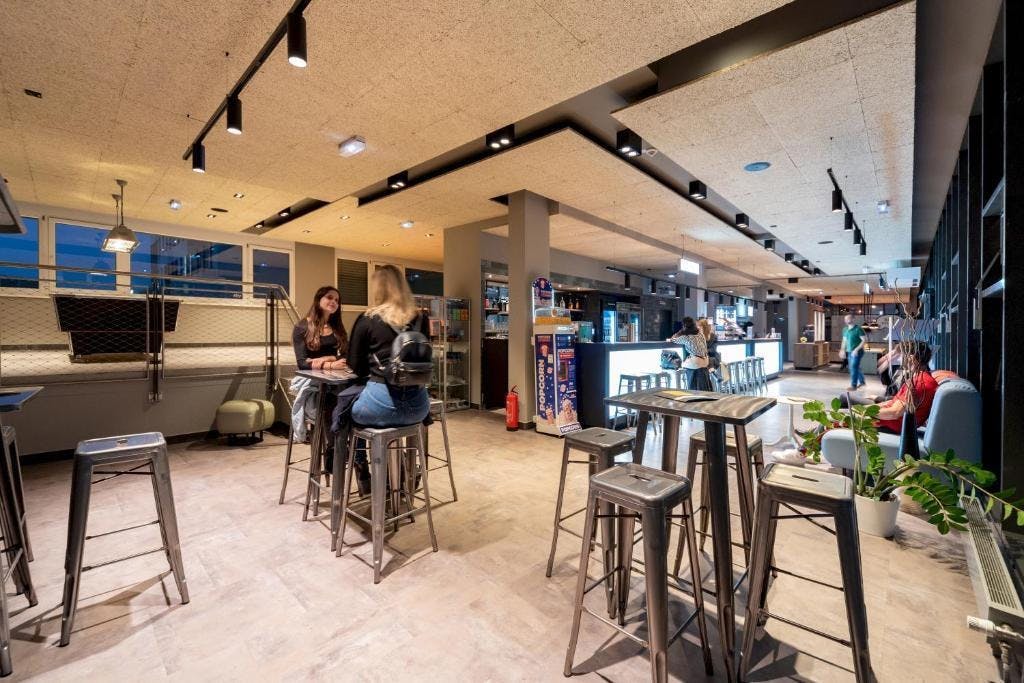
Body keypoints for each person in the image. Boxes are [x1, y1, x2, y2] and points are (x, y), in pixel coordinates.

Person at [347, 265, 431, 427]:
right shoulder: (421, 319)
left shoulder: (367, 319)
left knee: (342, 409)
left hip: (378, 405)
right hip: (418, 408)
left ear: (377, 289)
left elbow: (355, 366)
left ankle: (354, 448)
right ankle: (402, 445)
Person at [292, 285, 349, 371]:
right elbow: (302, 363)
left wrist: (326, 358)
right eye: (329, 297)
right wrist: (330, 365)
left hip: (334, 375)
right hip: (310, 376)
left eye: (336, 300)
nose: (333, 301)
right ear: (318, 300)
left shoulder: (337, 327)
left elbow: (347, 355)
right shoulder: (301, 327)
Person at [667, 317, 713, 391]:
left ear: (684, 326)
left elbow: (672, 339)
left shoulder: (686, 337)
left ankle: (688, 389)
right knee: (686, 363)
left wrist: (681, 331)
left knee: (679, 365)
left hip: (696, 362)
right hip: (705, 361)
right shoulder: (700, 334)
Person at [839, 314, 866, 390]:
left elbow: (864, 340)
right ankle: (862, 382)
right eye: (845, 319)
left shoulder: (858, 329)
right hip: (849, 351)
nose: (846, 320)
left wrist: (856, 350)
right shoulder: (845, 329)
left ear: (853, 319)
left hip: (858, 352)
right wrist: (842, 350)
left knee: (853, 367)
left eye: (848, 318)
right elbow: (844, 341)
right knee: (854, 367)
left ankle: (853, 385)